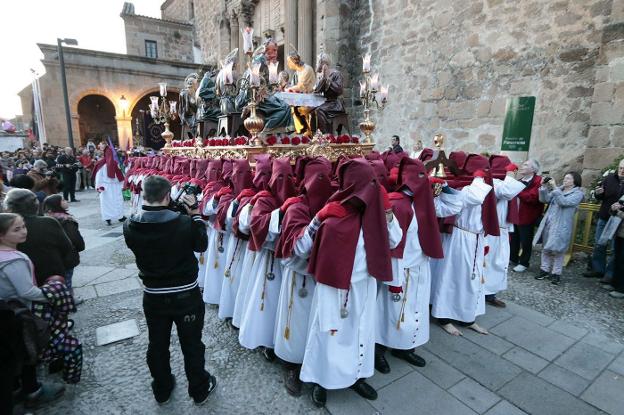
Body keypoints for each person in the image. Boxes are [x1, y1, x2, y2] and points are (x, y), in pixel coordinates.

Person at [298, 159, 402, 407]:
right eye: (369, 183)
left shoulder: (376, 216)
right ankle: (320, 380)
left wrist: (387, 214)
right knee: (328, 334)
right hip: (332, 287)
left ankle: (356, 376)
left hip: (363, 285)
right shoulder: (334, 210)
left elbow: (394, 242)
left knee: (361, 332)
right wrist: (317, 221)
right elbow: (302, 250)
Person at [123, 175, 217, 405]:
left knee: (157, 342)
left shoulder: (130, 224)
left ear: (144, 195)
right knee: (192, 343)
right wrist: (194, 213)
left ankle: (162, 388)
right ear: (167, 196)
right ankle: (199, 388)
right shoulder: (184, 223)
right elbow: (201, 245)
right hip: (185, 294)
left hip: (153, 294)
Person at [375, 158, 462, 374]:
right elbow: (393, 245)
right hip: (401, 269)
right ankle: (378, 349)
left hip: (420, 266)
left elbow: (454, 206)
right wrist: (393, 281)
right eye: (420, 178)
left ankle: (404, 347)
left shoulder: (426, 202)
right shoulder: (398, 204)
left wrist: (446, 188)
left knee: (415, 310)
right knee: (390, 312)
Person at [0, 213, 66, 411]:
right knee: (26, 352)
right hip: (14, 314)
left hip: (7, 311)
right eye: (16, 229)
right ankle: (32, 390)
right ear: (2, 235)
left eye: (23, 227)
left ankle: (17, 388)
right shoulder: (13, 260)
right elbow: (27, 291)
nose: (23, 232)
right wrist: (51, 293)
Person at [429, 155, 495, 337]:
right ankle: (444, 317)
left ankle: (468, 317)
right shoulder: (467, 189)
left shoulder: (484, 187)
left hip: (477, 238)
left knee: (473, 279)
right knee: (454, 277)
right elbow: (469, 198)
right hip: (460, 238)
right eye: (483, 171)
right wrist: (444, 189)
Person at [4, 189, 74, 286]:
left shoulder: (6, 228)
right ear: (36, 205)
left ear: (9, 208)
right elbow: (67, 247)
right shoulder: (49, 222)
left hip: (22, 278)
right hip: (53, 274)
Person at [484, 158, 525, 307]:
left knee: (500, 263)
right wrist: (510, 176)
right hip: (492, 229)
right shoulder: (493, 183)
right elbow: (506, 193)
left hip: (503, 229)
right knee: (489, 262)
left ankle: (491, 293)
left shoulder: (505, 182)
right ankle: (483, 292)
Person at [533, 172, 584, 285]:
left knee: (558, 250)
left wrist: (555, 187)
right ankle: (544, 270)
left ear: (574, 181)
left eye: (568, 178)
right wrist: (544, 187)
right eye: (565, 177)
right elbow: (544, 199)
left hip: (562, 225)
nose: (565, 180)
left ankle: (556, 273)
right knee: (545, 248)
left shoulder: (578, 194)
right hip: (549, 223)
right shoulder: (559, 189)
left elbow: (564, 202)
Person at [584, 158, 624, 283]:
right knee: (599, 243)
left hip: (619, 219)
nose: (622, 171)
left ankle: (610, 274)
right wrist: (598, 193)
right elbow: (600, 196)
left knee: (614, 249)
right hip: (605, 216)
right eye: (621, 168)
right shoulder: (610, 178)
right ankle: (598, 269)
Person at [42, 195, 85, 294]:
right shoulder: (66, 220)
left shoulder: (47, 217)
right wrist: (79, 247)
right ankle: (69, 299)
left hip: (53, 256)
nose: (65, 201)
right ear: (57, 204)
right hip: (67, 256)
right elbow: (75, 239)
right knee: (67, 279)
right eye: (62, 200)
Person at [510, 159, 544, 272]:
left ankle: (524, 262)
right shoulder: (519, 180)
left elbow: (532, 197)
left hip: (528, 216)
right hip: (515, 214)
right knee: (513, 239)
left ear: (533, 169)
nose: (522, 166)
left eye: (525, 165)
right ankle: (513, 258)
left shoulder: (539, 181)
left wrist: (516, 190)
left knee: (526, 241)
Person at [92, 144, 126, 225]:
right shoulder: (101, 164)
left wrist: (122, 184)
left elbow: (120, 175)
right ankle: (108, 218)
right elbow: (98, 176)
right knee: (106, 203)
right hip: (106, 186)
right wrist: (98, 186)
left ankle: (120, 216)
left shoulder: (116, 164)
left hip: (116, 185)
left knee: (118, 201)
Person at [313, 52, 346, 135]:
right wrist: (324, 78)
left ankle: (326, 135)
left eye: (318, 62)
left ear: (323, 63)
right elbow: (317, 90)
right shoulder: (322, 76)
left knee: (319, 110)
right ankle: (315, 135)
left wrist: (328, 79)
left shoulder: (336, 74)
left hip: (335, 104)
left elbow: (339, 90)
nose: (317, 64)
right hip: (327, 103)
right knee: (312, 110)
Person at [607, 198, 624, 298]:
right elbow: (613, 212)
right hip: (619, 233)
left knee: (622, 261)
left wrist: (618, 212)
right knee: (618, 259)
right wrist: (614, 208)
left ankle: (621, 289)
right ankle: (615, 284)